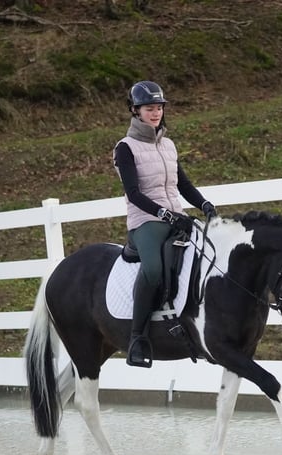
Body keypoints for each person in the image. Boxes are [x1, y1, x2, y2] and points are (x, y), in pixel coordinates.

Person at [113, 80, 217, 368]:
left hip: (177, 216)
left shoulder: (168, 144)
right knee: (154, 269)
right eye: (149, 108)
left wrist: (204, 204)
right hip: (146, 221)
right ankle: (137, 337)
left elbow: (182, 184)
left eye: (158, 108)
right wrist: (163, 214)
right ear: (135, 111)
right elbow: (134, 194)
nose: (155, 113)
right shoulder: (125, 148)